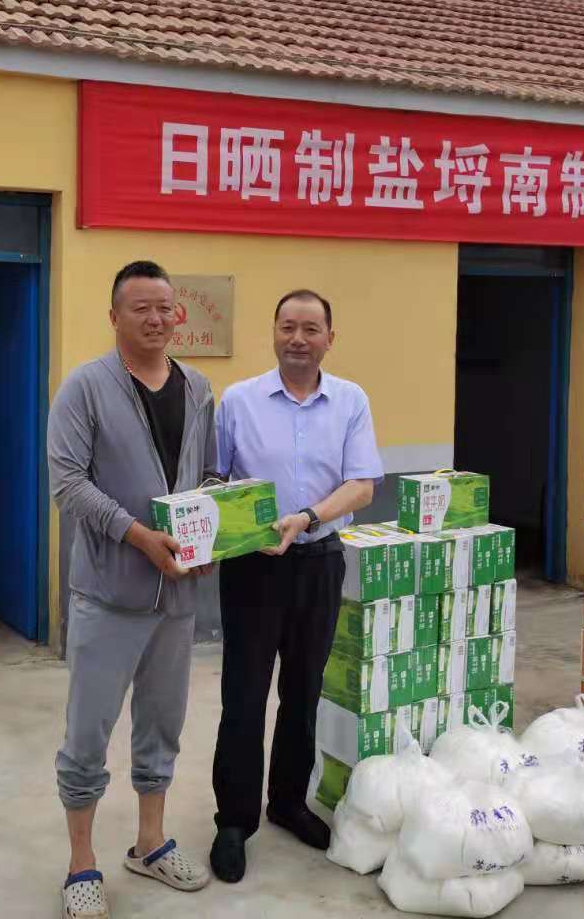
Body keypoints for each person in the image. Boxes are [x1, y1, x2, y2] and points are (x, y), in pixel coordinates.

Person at [48, 260, 216, 919]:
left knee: (162, 725)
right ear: (114, 315)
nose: (155, 319)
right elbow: (68, 483)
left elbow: (208, 476)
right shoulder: (85, 387)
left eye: (164, 307)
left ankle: (150, 843)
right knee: (87, 734)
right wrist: (138, 535)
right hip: (108, 595)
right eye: (140, 307)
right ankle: (81, 863)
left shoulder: (198, 388)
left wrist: (210, 536)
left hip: (177, 598)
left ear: (178, 314)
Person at [208, 288, 384, 883]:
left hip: (320, 560)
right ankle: (234, 821)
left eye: (311, 329)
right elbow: (214, 478)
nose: (298, 339)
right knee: (244, 694)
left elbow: (363, 484)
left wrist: (308, 517)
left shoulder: (351, 400)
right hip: (253, 567)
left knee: (304, 691)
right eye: (288, 327)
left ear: (330, 338)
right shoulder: (239, 400)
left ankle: (287, 802)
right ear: (274, 332)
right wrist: (228, 528)